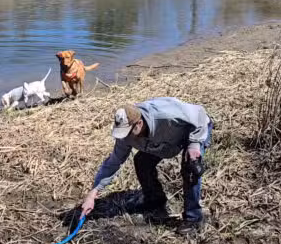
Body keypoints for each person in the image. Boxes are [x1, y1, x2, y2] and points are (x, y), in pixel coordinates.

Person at [80, 97, 213, 234]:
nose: (126, 137)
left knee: (190, 168)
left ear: (139, 123)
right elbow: (114, 162)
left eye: (129, 132)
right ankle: (155, 200)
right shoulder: (125, 136)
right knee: (142, 161)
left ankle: (193, 218)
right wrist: (92, 194)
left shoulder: (165, 116)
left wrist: (195, 144)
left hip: (195, 130)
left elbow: (200, 115)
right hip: (164, 143)